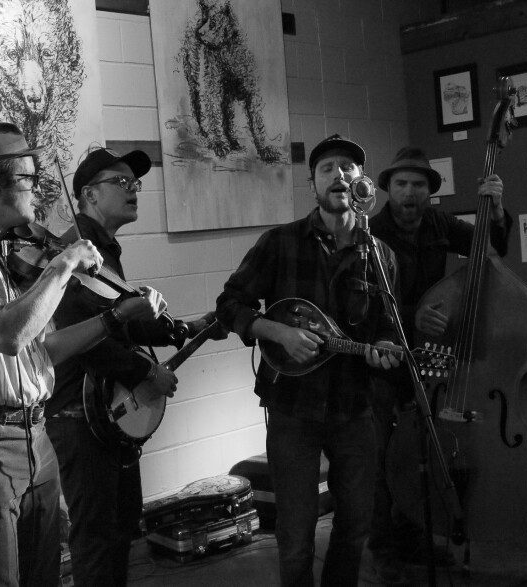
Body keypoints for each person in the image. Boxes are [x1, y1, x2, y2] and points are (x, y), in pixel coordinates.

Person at [0, 123, 165, 587]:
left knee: (43, 576)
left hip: (34, 434)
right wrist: (64, 264)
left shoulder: (6, 252)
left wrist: (115, 318)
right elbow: (8, 335)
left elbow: (43, 349)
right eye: (28, 179)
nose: (37, 190)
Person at [216, 134, 402, 587]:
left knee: (355, 524)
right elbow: (229, 305)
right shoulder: (279, 244)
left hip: (355, 407)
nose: (339, 174)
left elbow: (389, 329)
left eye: (348, 168)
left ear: (362, 182)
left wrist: (386, 350)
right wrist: (276, 331)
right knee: (296, 533)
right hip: (292, 408)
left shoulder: (379, 255)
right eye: (327, 169)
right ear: (312, 183)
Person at [45, 146, 220, 587]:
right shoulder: (73, 252)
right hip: (80, 414)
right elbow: (82, 340)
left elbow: (120, 329)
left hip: (107, 417)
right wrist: (147, 374)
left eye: (135, 183)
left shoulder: (106, 250)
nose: (133, 190)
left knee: (121, 530)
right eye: (120, 182)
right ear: (88, 194)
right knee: (97, 539)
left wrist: (183, 329)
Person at [366, 147, 512, 583]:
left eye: (418, 185)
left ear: (430, 192)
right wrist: (411, 313)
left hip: (428, 355)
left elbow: (492, 250)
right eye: (401, 185)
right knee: (378, 454)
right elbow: (363, 301)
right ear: (387, 190)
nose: (409, 193)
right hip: (384, 352)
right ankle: (383, 545)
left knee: (421, 449)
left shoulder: (440, 224)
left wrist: (498, 210)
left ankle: (414, 534)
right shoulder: (370, 233)